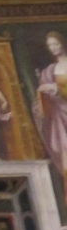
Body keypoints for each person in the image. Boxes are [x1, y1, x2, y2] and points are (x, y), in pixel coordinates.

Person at [34, 31, 67, 201]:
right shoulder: (49, 70)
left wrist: (56, 88)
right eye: (50, 46)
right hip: (58, 115)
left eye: (55, 43)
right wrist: (43, 94)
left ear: (63, 43)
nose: (53, 48)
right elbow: (42, 99)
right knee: (63, 151)